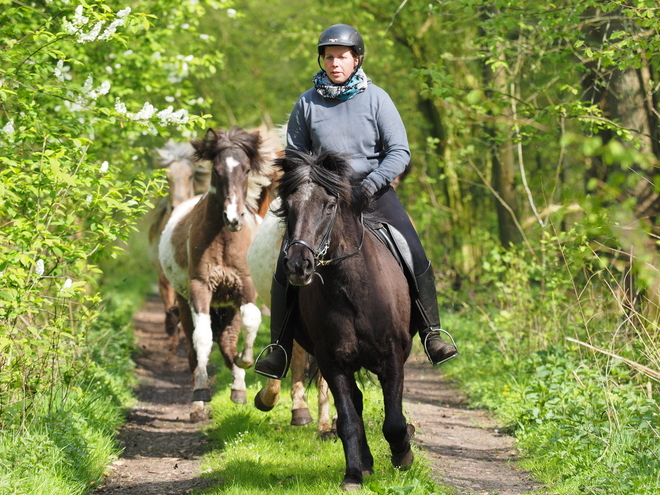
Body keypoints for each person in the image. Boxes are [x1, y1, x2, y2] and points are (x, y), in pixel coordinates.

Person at [254, 24, 458, 379]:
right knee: (288, 257)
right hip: (323, 198)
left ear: (356, 60)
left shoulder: (377, 98)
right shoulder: (307, 102)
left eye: (342, 57)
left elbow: (399, 152)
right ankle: (279, 348)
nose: (335, 64)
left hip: (372, 192)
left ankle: (432, 332)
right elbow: (298, 160)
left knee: (413, 250)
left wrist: (370, 187)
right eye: (329, 57)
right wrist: (310, 192)